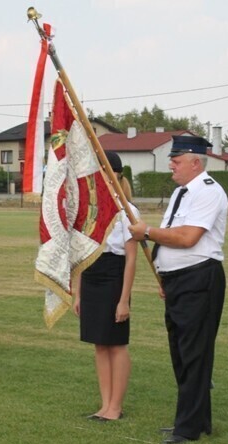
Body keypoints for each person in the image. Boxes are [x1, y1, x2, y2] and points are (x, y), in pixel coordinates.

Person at [128, 135, 228, 444]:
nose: (171, 163)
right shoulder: (181, 193)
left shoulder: (208, 192)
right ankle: (197, 418)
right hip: (177, 280)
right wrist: (164, 273)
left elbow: (187, 238)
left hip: (199, 278)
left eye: (177, 159)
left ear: (196, 162)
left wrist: (147, 231)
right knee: (182, 353)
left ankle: (188, 427)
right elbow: (173, 234)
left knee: (194, 353)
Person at [73, 151, 137, 422]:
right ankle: (104, 404)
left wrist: (124, 300)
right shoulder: (89, 209)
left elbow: (132, 258)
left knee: (116, 344)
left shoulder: (128, 212)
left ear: (116, 174)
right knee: (99, 344)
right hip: (91, 275)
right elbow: (80, 252)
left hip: (114, 276)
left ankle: (116, 406)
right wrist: (77, 291)